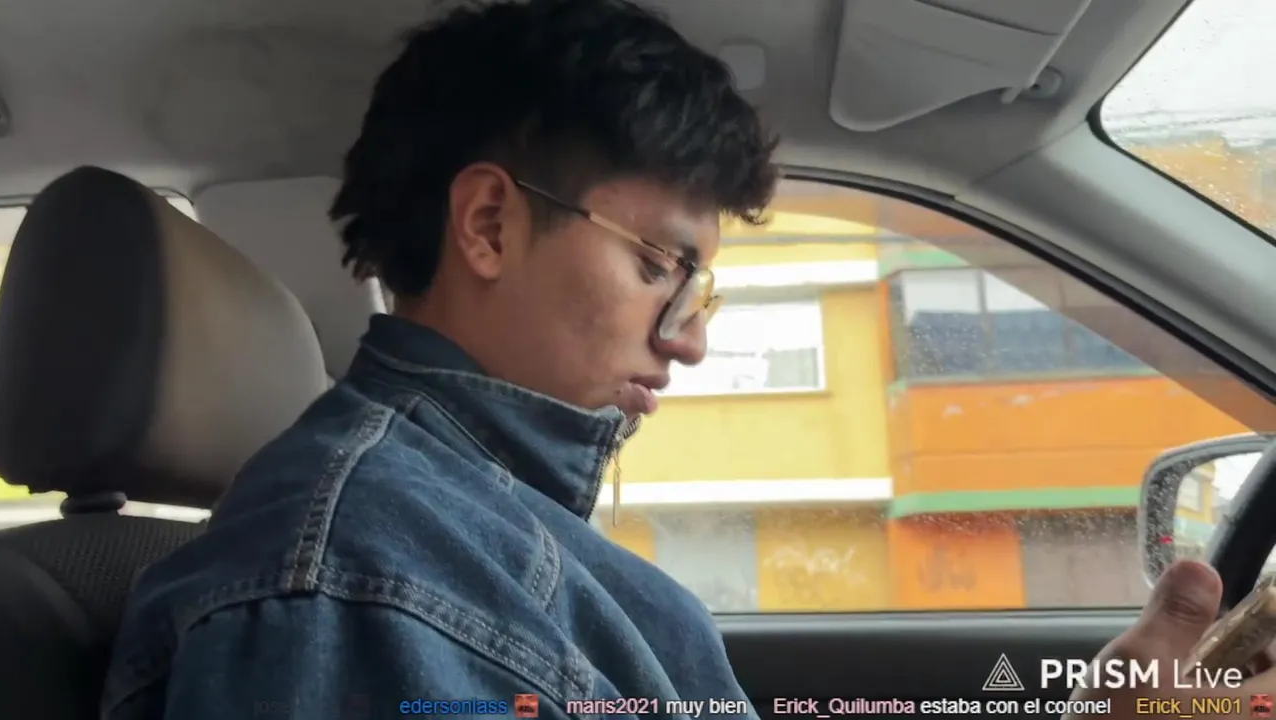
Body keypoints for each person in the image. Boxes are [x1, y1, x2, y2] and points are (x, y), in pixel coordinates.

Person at [99, 1, 1271, 718]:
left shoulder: (451, 539)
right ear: (489, 224)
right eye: (660, 264)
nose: (692, 337)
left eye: (696, 286)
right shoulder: (354, 586)